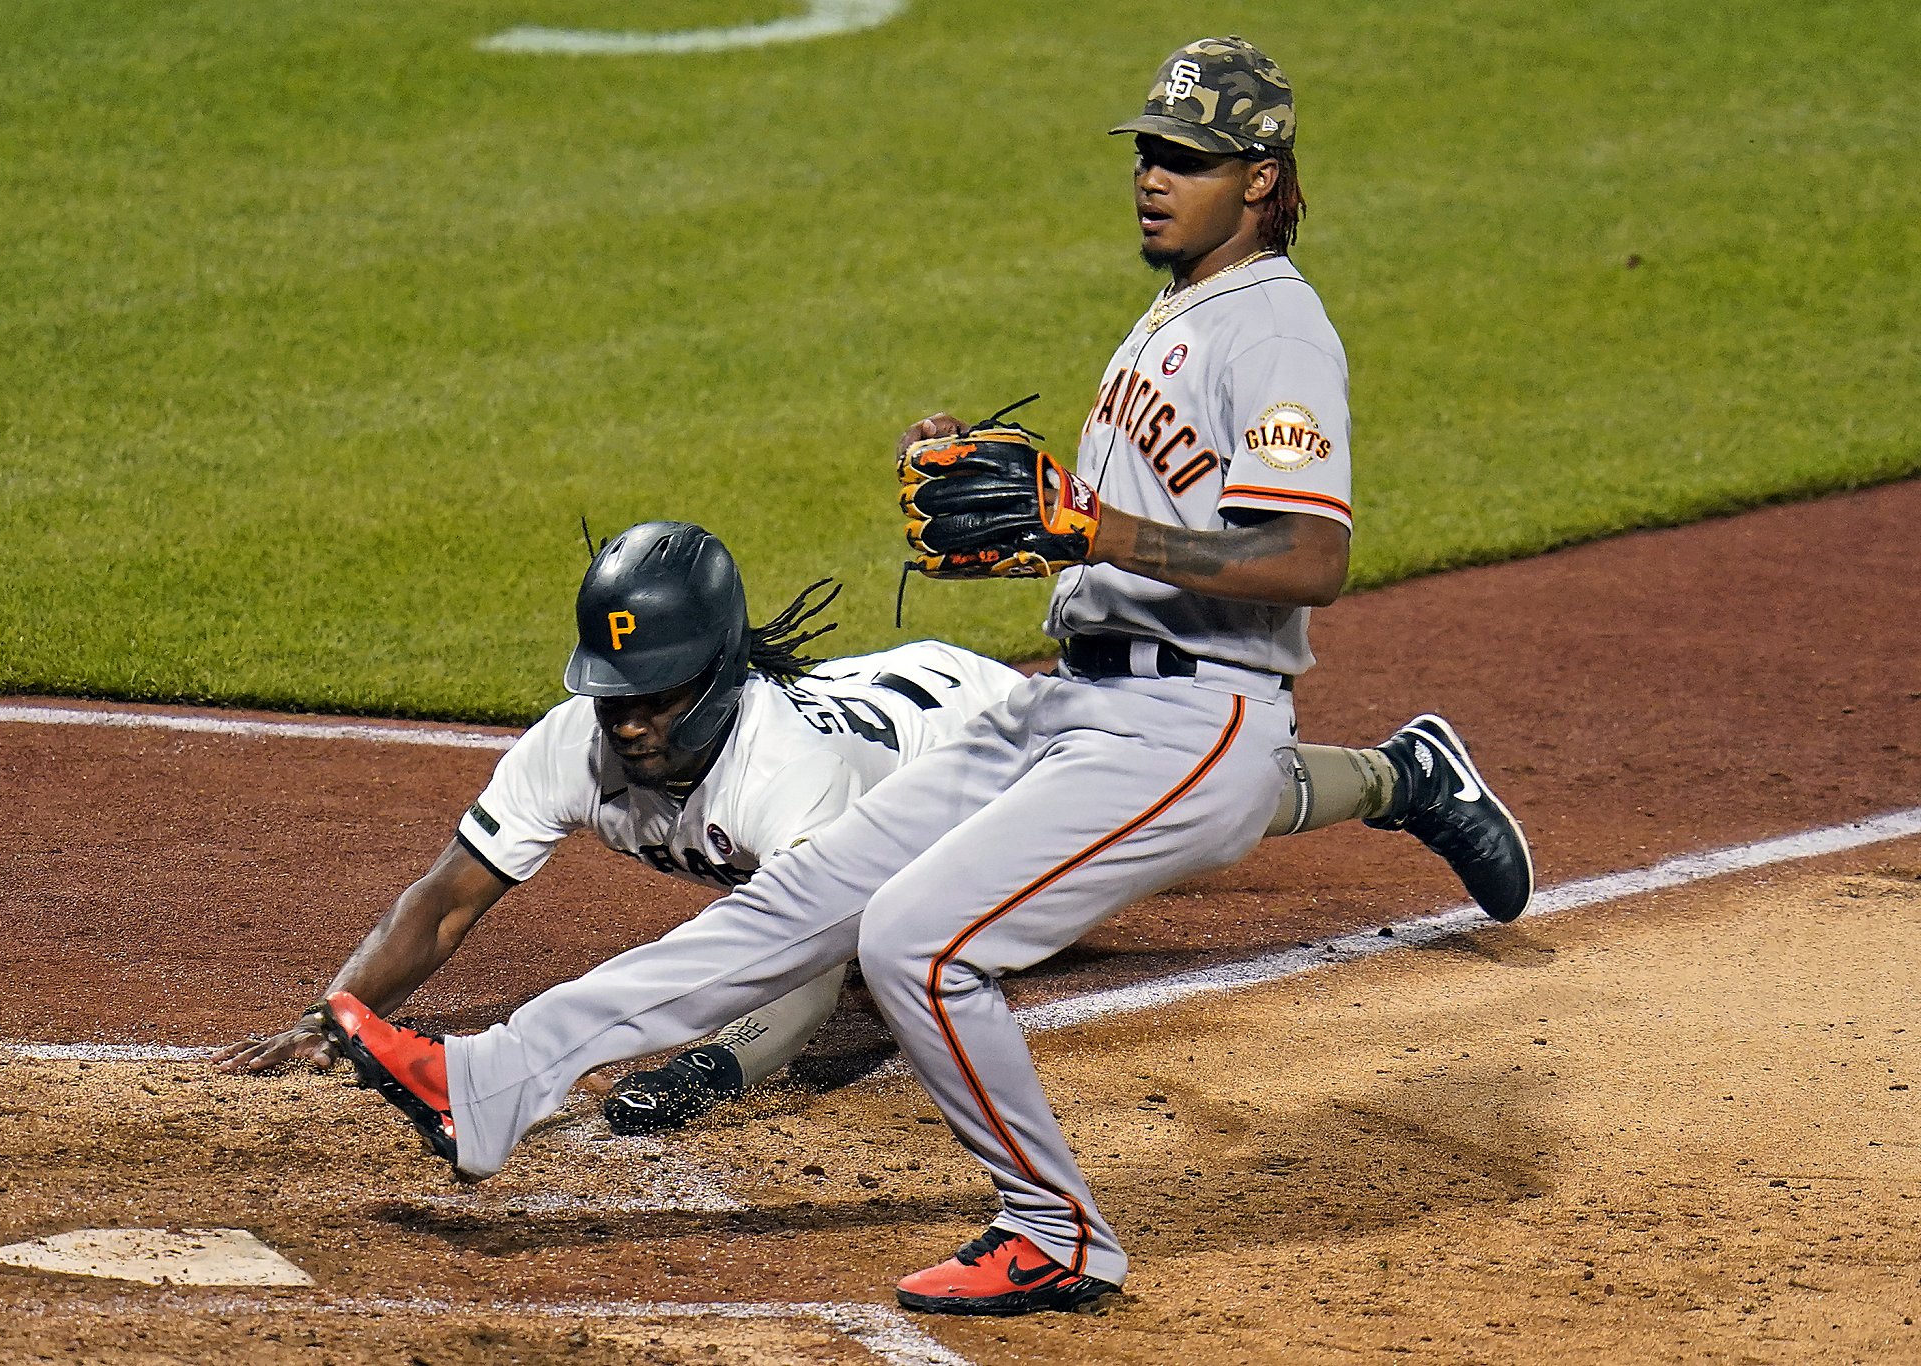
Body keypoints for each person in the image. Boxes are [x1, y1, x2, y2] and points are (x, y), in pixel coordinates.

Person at [317, 35, 1531, 1315]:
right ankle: (495, 1081)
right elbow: (1115, 533)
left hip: (1184, 720)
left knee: (915, 947)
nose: (1154, 176)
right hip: (1076, 701)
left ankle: (1052, 1229)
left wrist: (1091, 529)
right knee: (799, 903)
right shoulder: (1176, 315)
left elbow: (1309, 555)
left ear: (1262, 179)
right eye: (1147, 151)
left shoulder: (1276, 327)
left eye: (1190, 158)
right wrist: (1024, 529)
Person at [221, 519, 1531, 1140]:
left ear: (722, 675)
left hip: (982, 738)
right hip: (903, 722)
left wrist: (718, 1067)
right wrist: (335, 1006)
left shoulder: (785, 777)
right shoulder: (579, 737)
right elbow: (447, 899)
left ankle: (1408, 772)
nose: (624, 726)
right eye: (611, 698)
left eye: (654, 700)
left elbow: (808, 966)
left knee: (1205, 816)